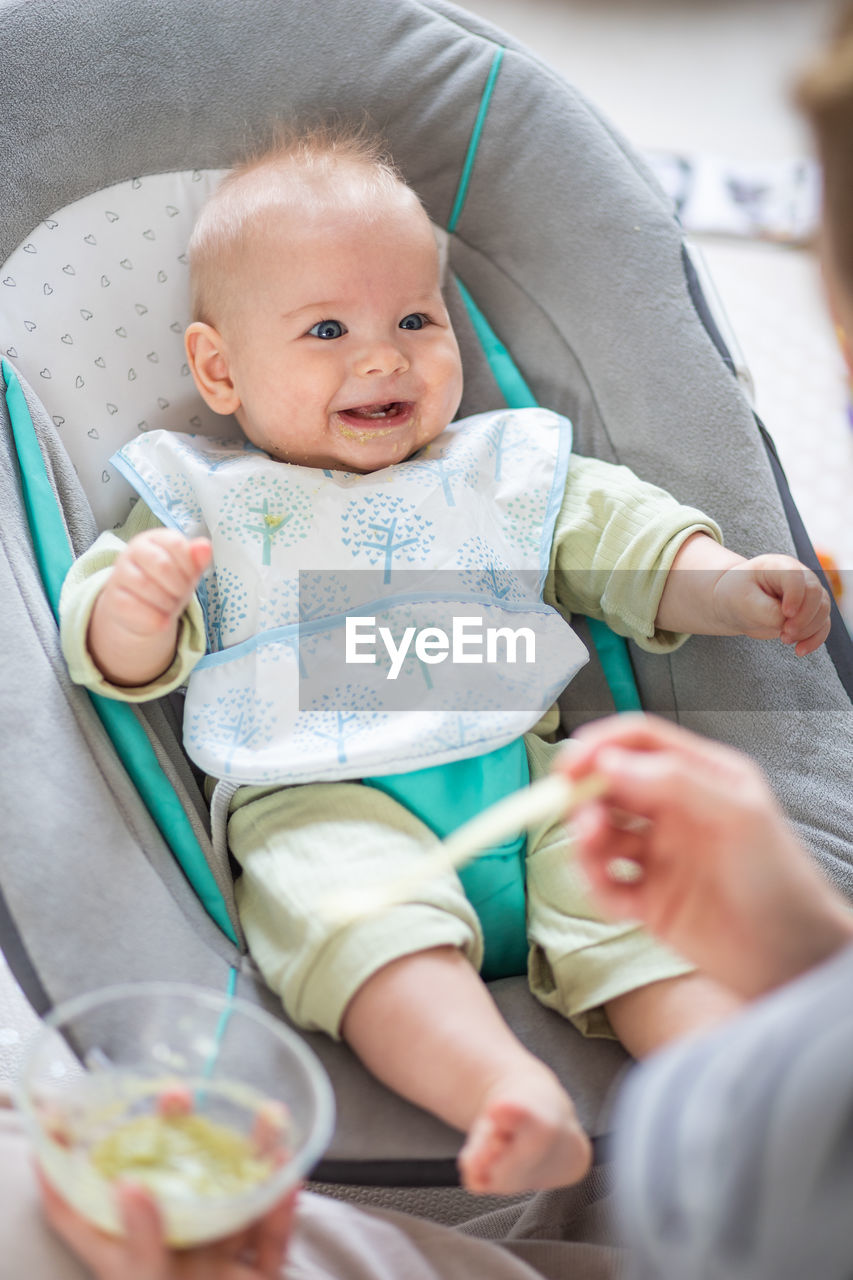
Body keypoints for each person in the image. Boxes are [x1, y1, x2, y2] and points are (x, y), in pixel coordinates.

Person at [58, 126, 830, 1197]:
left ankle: (721, 1085)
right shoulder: (205, 499)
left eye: (415, 319)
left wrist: (727, 582)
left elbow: (623, 538)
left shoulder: (498, 463)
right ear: (219, 368)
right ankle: (504, 1091)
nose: (382, 357)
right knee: (351, 923)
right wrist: (139, 604)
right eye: (326, 328)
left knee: (643, 897)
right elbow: (112, 643)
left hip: (532, 789)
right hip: (324, 801)